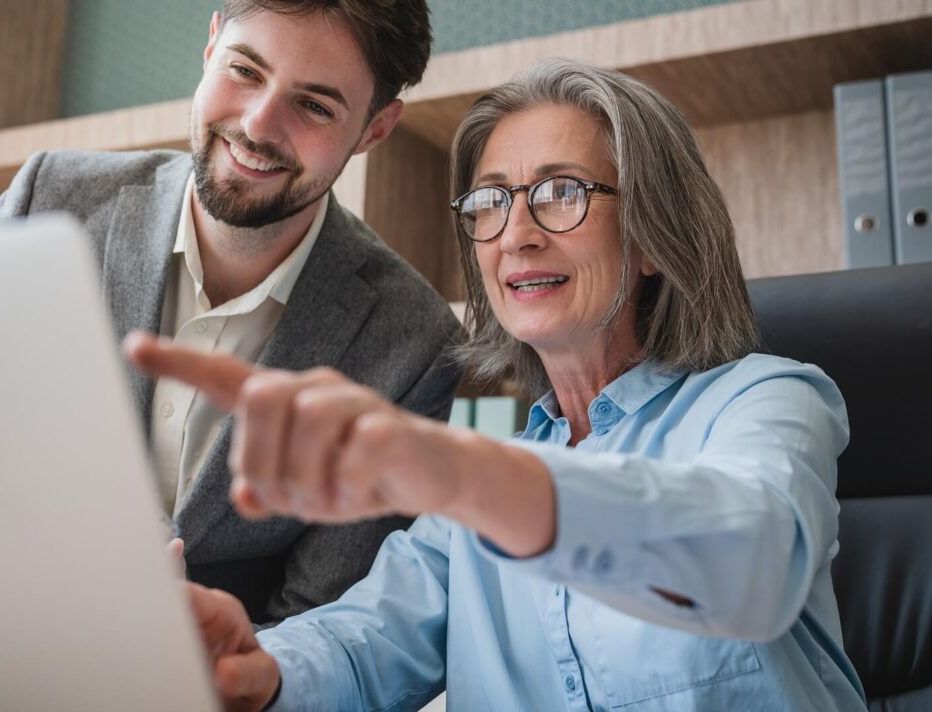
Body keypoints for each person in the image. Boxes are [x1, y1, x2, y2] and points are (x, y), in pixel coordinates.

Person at [126, 59, 867, 711]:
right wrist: (261, 670)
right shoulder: (481, 478)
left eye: (561, 193)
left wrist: (463, 474)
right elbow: (362, 640)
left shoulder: (765, 399)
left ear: (651, 235)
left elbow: (753, 559)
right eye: (489, 202)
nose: (516, 234)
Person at [0, 1, 461, 626]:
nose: (258, 125)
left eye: (315, 106)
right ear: (211, 46)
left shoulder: (414, 345)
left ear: (375, 129)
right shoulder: (49, 199)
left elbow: (321, 629)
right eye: (245, 71)